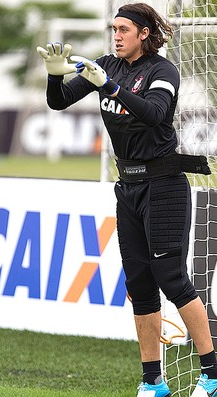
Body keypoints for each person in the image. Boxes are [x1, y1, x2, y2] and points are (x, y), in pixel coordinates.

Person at [37, 3, 216, 396]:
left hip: (164, 185)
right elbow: (58, 102)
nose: (116, 35)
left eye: (124, 29)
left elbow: (154, 114)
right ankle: (153, 381)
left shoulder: (161, 70)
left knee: (172, 279)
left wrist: (110, 87)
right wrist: (54, 78)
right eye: (113, 28)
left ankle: (212, 374)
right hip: (128, 187)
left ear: (144, 34)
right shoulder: (107, 66)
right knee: (139, 283)